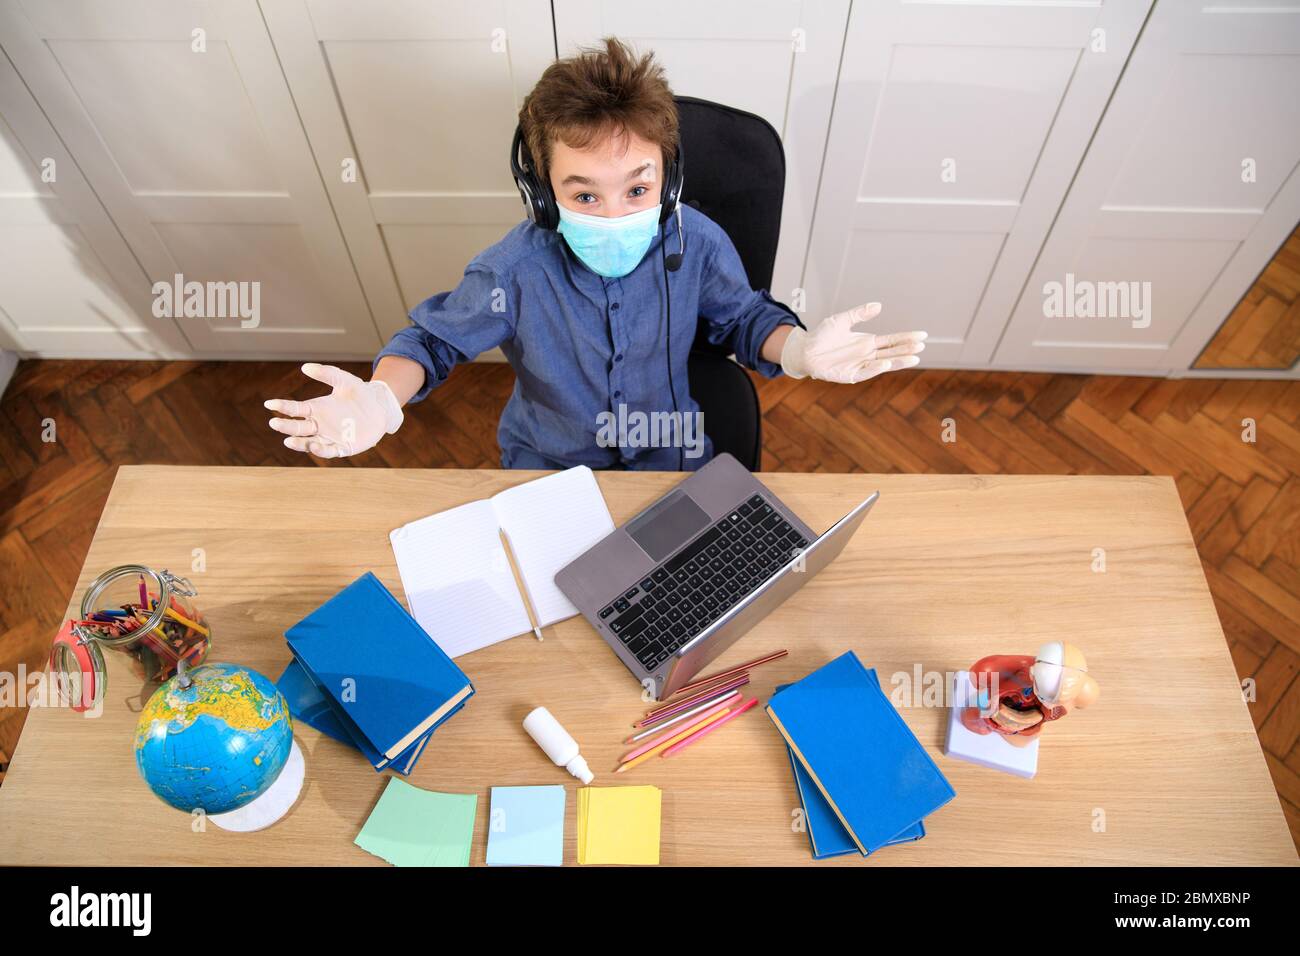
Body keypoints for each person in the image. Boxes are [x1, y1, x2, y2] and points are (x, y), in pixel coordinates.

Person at [265, 38, 926, 469]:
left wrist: (800, 350)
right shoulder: (514, 271)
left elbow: (744, 321)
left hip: (672, 456)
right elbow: (433, 343)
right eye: (585, 196)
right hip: (550, 465)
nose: (615, 214)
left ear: (668, 177)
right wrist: (380, 400)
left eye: (637, 188)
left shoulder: (695, 239)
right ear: (544, 192)